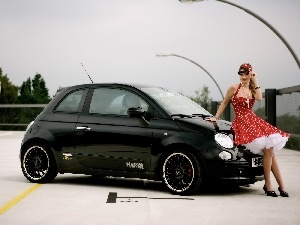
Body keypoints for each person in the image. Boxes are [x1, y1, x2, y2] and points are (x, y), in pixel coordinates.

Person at [206, 63, 290, 197]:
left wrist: (255, 79)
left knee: (270, 150)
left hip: (253, 121)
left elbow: (259, 97)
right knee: (268, 150)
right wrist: (215, 117)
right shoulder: (233, 88)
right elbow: (225, 102)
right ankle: (269, 184)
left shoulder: (252, 90)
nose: (243, 76)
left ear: (250, 74)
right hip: (241, 123)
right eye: (241, 73)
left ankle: (281, 185)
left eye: (246, 73)